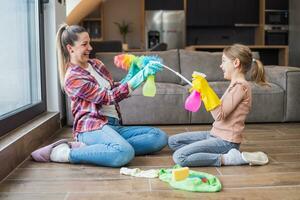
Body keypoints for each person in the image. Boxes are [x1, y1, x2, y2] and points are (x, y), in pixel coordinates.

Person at [31, 24, 168, 167]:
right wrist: (139, 77)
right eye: (84, 44)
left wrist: (132, 74)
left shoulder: (96, 64)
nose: (90, 48)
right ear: (70, 48)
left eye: (89, 43)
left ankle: (105, 148)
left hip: (113, 125)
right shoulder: (73, 78)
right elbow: (109, 97)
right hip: (91, 127)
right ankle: (66, 153)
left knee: (159, 137)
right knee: (124, 153)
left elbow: (112, 88)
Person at [168, 44, 269, 167]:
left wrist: (206, 91)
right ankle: (203, 151)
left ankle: (228, 158)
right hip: (214, 134)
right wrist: (202, 92)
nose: (221, 66)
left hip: (226, 141)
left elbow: (219, 115)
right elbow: (219, 108)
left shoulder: (241, 87)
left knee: (180, 157)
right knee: (173, 141)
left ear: (236, 63)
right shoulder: (234, 85)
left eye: (224, 61)